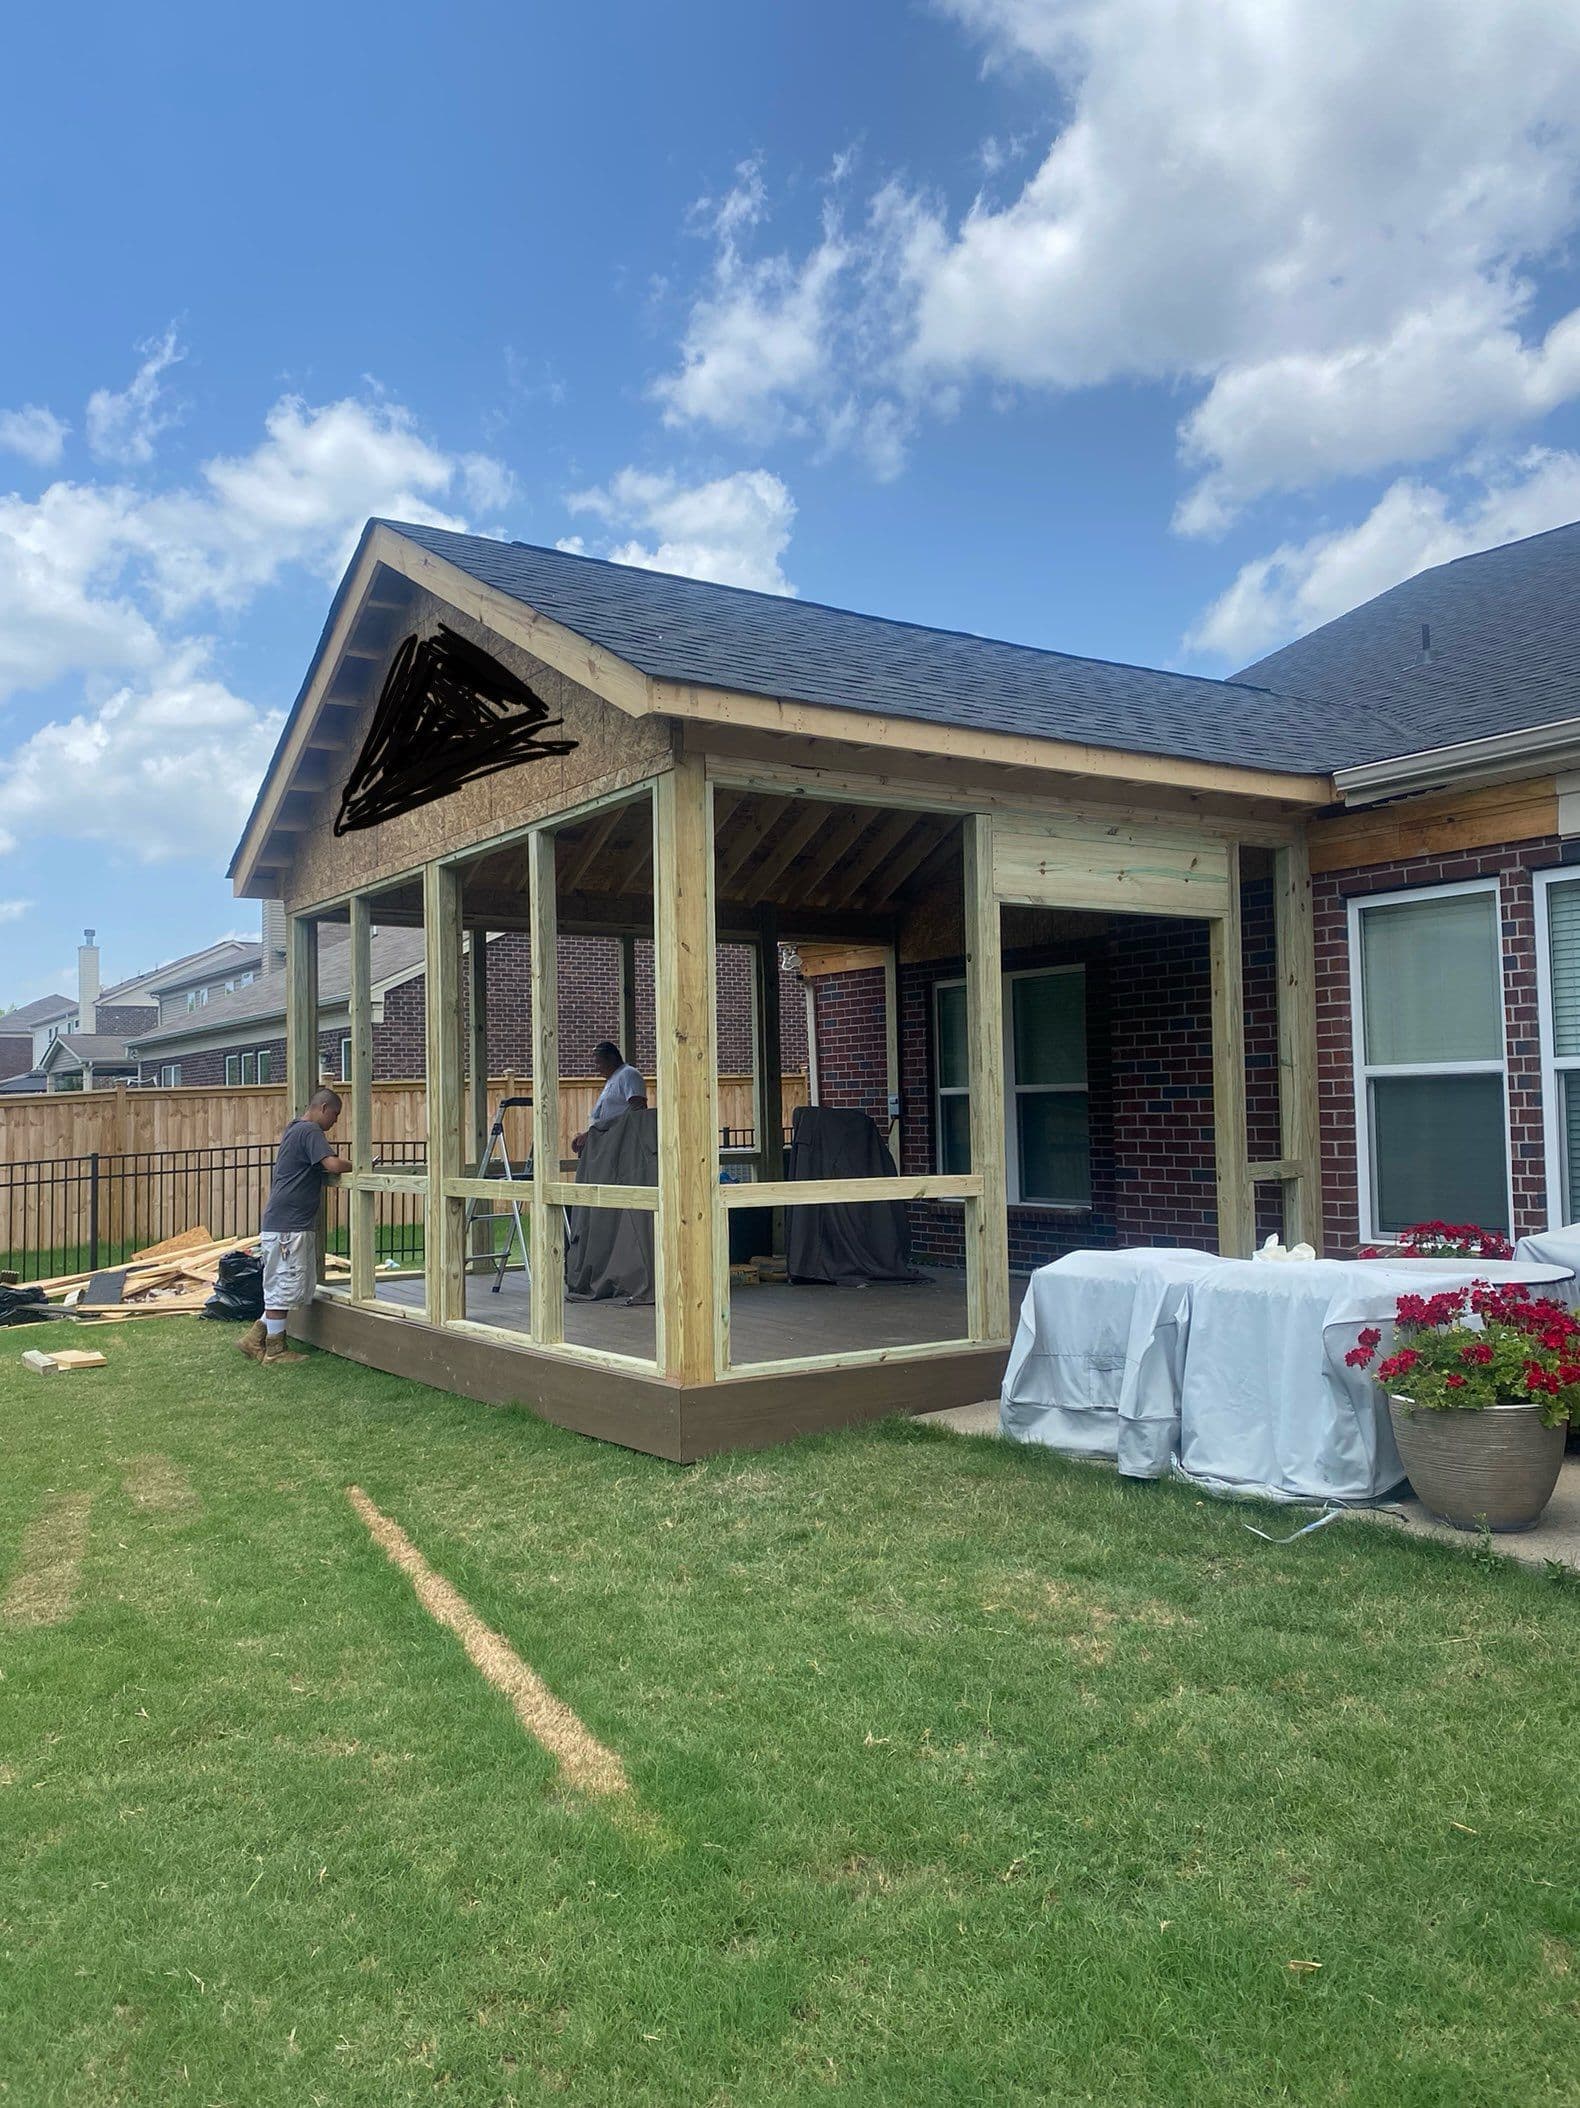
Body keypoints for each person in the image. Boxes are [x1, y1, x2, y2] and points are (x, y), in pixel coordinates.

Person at [241, 1087, 353, 1365]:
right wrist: (361, 1164)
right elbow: (333, 1164)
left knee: (282, 1281)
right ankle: (275, 1351)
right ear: (323, 1108)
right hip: (289, 1228)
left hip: (281, 1223)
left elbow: (319, 1167)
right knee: (284, 1284)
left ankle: (253, 1340)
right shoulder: (310, 1132)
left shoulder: (294, 1130)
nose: (335, 1122)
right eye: (335, 1115)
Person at [571, 1041, 647, 1154]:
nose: (597, 1068)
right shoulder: (613, 1079)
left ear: (612, 1058)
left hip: (622, 1144)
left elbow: (638, 1110)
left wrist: (597, 1132)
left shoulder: (628, 1074)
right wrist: (588, 1135)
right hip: (606, 1142)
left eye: (599, 1063)